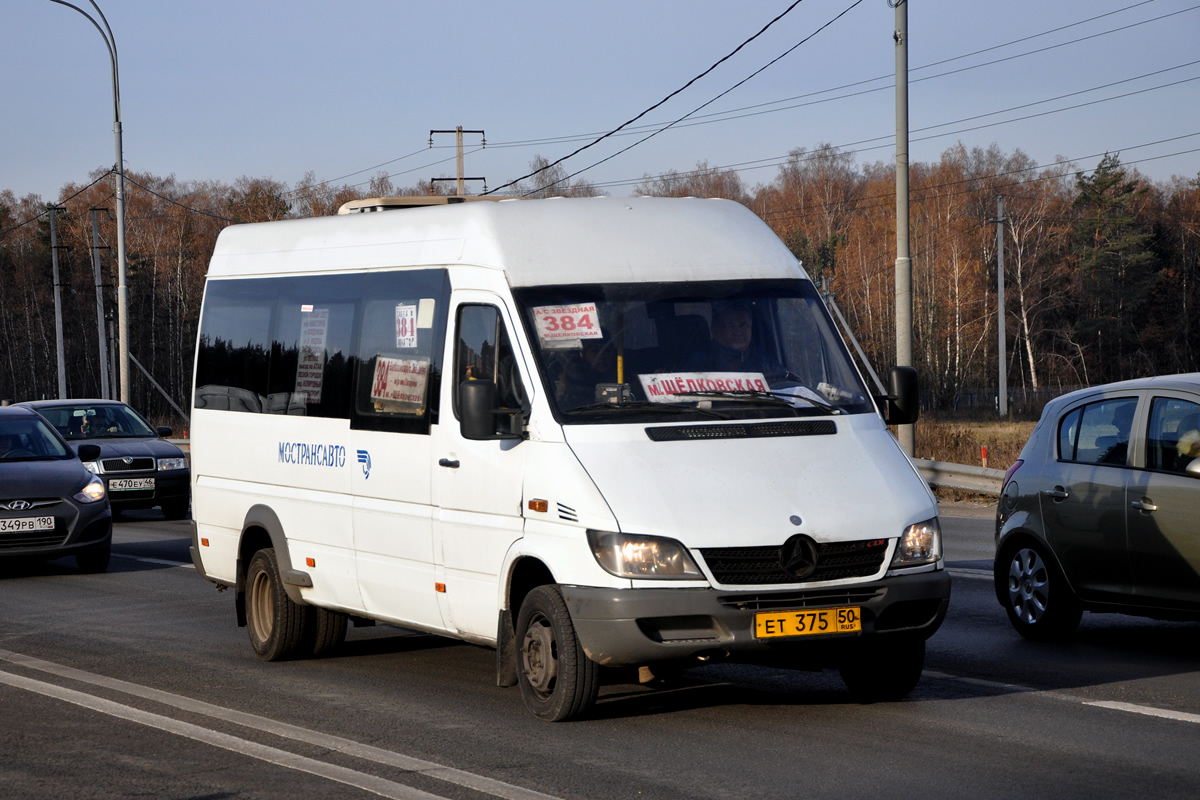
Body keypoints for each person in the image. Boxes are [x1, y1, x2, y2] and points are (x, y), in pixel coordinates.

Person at [689, 301, 785, 376]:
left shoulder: (766, 363)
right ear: (715, 329)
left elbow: (785, 387)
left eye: (743, 325)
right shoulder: (698, 363)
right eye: (731, 326)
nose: (738, 332)